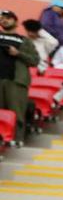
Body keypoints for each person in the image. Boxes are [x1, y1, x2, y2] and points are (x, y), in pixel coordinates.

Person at [0, 9, 37, 146]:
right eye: (2, 18)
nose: (4, 20)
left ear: (15, 21)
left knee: (17, 112)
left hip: (16, 81)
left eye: (8, 18)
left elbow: (34, 60)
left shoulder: (24, 40)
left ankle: (17, 139)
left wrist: (18, 54)